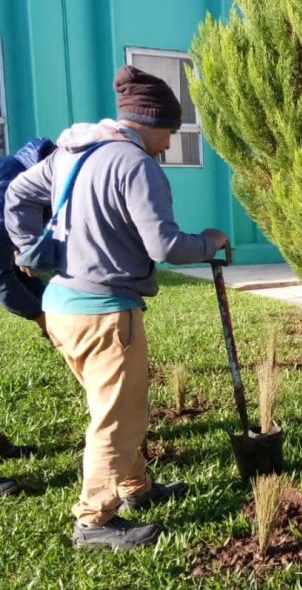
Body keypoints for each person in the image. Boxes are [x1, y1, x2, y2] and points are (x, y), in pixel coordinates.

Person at [4, 65, 228, 548]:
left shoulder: (72, 153)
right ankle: (94, 522)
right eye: (170, 132)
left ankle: (136, 488)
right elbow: (165, 246)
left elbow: (18, 193)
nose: (168, 145)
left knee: (113, 407)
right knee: (118, 419)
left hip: (63, 306)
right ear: (149, 122)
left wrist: (28, 249)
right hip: (105, 313)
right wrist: (209, 241)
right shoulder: (135, 165)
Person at [0, 137, 57, 496]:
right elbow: (3, 283)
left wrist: (51, 303)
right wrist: (42, 317)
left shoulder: (16, 174)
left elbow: (18, 271)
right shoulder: (8, 195)